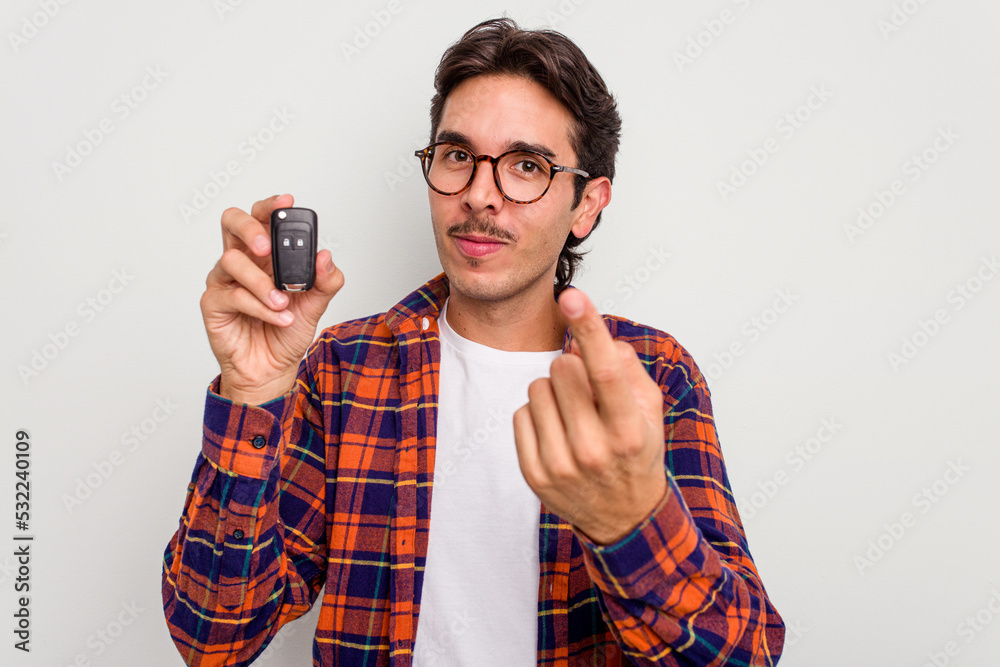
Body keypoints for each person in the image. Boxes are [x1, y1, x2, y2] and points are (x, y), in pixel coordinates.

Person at [162, 17, 784, 667]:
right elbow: (214, 637)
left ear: (587, 203)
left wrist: (630, 524)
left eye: (526, 165)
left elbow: (740, 656)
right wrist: (252, 393)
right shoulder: (344, 371)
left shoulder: (651, 379)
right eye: (458, 156)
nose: (480, 196)